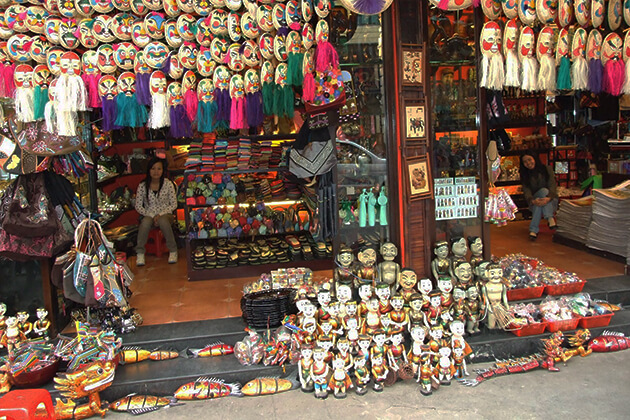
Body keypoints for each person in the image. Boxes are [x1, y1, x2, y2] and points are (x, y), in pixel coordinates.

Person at [135, 157, 178, 265]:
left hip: (165, 214)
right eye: (153, 169)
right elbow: (138, 206)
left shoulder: (168, 184)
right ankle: (140, 253)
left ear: (163, 170)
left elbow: (173, 204)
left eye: (159, 169)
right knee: (145, 223)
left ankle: (173, 250)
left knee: (163, 221)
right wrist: (151, 215)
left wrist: (160, 215)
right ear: (149, 170)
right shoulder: (142, 186)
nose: (156, 172)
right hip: (149, 214)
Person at [519, 152, 558, 241]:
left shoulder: (547, 169)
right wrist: (532, 200)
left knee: (544, 193)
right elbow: (527, 191)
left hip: (551, 200)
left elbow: (552, 185)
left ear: (535, 158)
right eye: (525, 162)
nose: (528, 163)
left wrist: (548, 198)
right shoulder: (524, 174)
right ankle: (550, 218)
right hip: (534, 200)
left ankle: (533, 230)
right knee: (539, 198)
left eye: (529, 160)